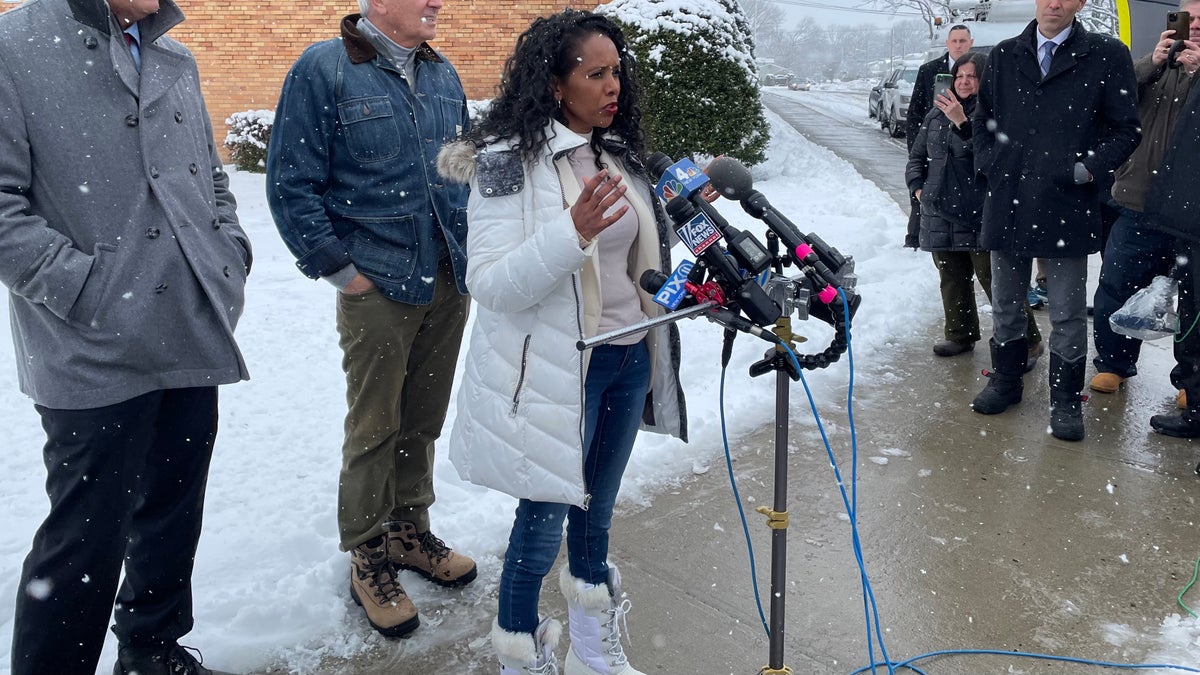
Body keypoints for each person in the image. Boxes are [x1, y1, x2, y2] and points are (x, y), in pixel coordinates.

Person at [0, 0, 252, 673]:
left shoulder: (176, 55)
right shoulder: (12, 45)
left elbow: (212, 176)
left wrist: (228, 257)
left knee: (172, 513)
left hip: (190, 328)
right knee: (82, 542)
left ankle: (152, 650)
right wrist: (85, 290)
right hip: (91, 347)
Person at [437, 9, 687, 674]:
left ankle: (593, 651)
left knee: (597, 514)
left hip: (628, 358)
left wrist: (681, 246)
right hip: (555, 373)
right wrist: (569, 232)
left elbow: (637, 258)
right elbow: (489, 282)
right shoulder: (503, 164)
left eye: (617, 72)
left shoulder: (619, 154)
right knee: (542, 523)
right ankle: (519, 653)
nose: (614, 86)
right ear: (554, 84)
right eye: (596, 73)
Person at [266, 0, 476, 640]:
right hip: (377, 283)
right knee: (375, 424)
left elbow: (461, 170)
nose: (437, 3)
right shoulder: (323, 70)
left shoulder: (442, 73)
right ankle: (368, 553)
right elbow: (290, 182)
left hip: (446, 275)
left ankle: (410, 530)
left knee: (423, 417)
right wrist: (342, 272)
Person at [970, 0, 1140, 441]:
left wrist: (1084, 168)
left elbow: (1126, 130)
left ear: (1081, 3)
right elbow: (982, 120)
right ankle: (1006, 383)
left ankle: (1065, 402)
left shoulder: (1105, 54)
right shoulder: (1006, 54)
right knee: (1006, 304)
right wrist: (993, 162)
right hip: (1007, 202)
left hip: (1066, 202)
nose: (1055, 3)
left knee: (1065, 313)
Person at [905, 53, 1047, 365]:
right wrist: (917, 187)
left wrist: (961, 121)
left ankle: (1028, 341)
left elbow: (990, 159)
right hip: (938, 210)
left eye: (972, 76)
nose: (965, 82)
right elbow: (917, 156)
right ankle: (960, 334)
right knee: (952, 277)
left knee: (996, 282)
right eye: (959, 76)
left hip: (980, 213)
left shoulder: (997, 114)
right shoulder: (935, 114)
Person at [1090, 4, 1200, 399]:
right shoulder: (1151, 67)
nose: (1195, 27)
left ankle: (1191, 381)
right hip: (1138, 200)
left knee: (1194, 301)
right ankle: (1114, 365)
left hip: (1193, 213)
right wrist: (1153, 62)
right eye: (1190, 20)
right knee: (1116, 285)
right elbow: (1111, 102)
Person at [1144, 48, 1200, 438]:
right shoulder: (1173, 69)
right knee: (1191, 319)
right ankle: (1196, 410)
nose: (1192, 29)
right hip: (1185, 220)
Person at [904, 25, 975, 264]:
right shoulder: (929, 70)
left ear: (970, 42)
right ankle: (912, 239)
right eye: (954, 40)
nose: (958, 45)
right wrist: (917, 157)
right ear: (947, 43)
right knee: (925, 208)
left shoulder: (981, 79)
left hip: (967, 167)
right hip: (933, 143)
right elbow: (915, 112)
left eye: (962, 40)